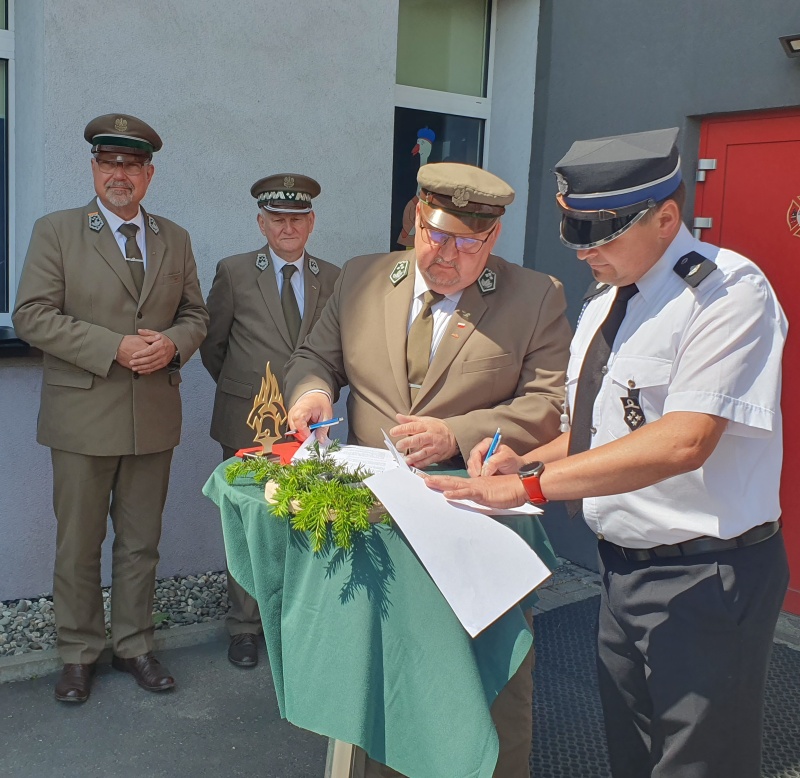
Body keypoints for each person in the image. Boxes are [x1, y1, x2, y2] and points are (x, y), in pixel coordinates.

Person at [426, 128, 789, 778]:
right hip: (622, 574)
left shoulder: (727, 293)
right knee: (633, 755)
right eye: (576, 231)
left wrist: (529, 489)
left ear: (666, 218)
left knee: (699, 764)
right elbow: (598, 431)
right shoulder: (603, 303)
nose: (585, 250)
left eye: (602, 233)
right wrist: (526, 462)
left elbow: (685, 439)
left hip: (706, 576)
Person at [284, 162, 572, 778]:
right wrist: (311, 392)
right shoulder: (362, 278)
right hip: (374, 521)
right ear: (417, 218)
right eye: (436, 235)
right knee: (378, 672)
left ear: (493, 238)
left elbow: (547, 403)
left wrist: (456, 433)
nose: (446, 256)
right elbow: (314, 357)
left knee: (482, 682)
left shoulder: (535, 296)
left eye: (468, 244)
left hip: (473, 521)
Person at [12, 114, 208, 703]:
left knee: (141, 542)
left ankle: (134, 645)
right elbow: (31, 316)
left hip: (152, 417)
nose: (119, 174)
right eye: (108, 163)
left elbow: (196, 315)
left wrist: (173, 343)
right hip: (82, 417)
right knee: (78, 544)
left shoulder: (175, 238)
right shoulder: (57, 231)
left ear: (149, 174)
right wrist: (112, 347)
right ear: (94, 168)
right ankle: (78, 654)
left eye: (131, 165)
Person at [200, 174, 339, 668]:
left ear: (311, 223)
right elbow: (213, 346)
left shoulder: (332, 277)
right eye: (277, 219)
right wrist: (246, 391)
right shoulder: (235, 272)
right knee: (248, 523)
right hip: (249, 420)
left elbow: (335, 349)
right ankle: (244, 625)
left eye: (297, 219)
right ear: (261, 223)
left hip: (308, 427)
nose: (287, 228)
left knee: (303, 518)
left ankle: (294, 622)